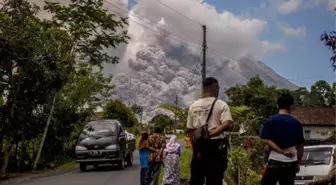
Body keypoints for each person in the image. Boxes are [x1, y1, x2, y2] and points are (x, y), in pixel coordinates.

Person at [187, 77, 232, 185]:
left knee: (197, 180)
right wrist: (210, 134)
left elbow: (190, 130)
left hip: (199, 148)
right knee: (215, 180)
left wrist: (196, 146)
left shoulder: (194, 106)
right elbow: (226, 123)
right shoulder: (221, 104)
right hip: (215, 148)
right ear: (215, 88)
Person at [260, 94, 305, 185]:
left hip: (275, 160)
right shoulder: (296, 123)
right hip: (291, 161)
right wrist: (298, 160)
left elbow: (267, 140)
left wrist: (282, 152)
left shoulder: (271, 120)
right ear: (290, 107)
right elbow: (300, 145)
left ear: (278, 105)